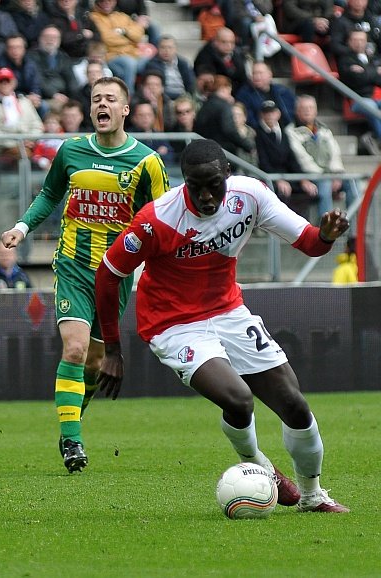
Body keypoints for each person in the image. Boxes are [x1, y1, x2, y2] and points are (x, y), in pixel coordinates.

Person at [94, 138, 350, 514]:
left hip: (229, 312)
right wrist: (112, 350)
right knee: (239, 398)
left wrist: (326, 235)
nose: (205, 195)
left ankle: (313, 495)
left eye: (213, 184)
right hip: (173, 324)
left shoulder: (251, 196)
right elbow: (108, 274)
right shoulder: (157, 219)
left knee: (295, 406)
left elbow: (309, 242)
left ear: (228, 174)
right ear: (183, 181)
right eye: (195, 186)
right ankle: (259, 464)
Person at [0, 77, 169, 473]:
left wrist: (160, 270)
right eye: (96, 99)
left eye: (111, 99)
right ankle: (73, 440)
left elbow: (163, 219)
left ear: (126, 110)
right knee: (74, 350)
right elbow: (49, 194)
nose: (102, 105)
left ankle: (71, 419)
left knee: (94, 363)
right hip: (73, 266)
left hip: (116, 275)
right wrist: (21, 228)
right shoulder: (71, 151)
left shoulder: (147, 162)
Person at [287, 94, 359, 217]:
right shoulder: (291, 132)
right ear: (297, 111)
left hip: (330, 174)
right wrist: (326, 176)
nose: (307, 111)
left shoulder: (325, 130)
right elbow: (303, 159)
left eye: (310, 108)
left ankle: (353, 231)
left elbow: (335, 153)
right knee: (325, 185)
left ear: (316, 111)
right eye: (304, 108)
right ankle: (326, 232)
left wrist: (336, 174)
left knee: (353, 182)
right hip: (309, 175)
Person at [255, 99, 319, 218]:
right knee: (281, 192)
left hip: (287, 175)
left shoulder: (283, 132)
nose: (269, 116)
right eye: (266, 113)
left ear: (278, 114)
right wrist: (278, 179)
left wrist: (303, 179)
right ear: (261, 115)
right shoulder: (258, 134)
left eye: (272, 112)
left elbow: (291, 158)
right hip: (270, 176)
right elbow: (263, 162)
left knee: (308, 190)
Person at [0, 67, 44, 159]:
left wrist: (30, 139)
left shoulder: (24, 101)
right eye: (1, 81)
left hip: (28, 145)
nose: (5, 84)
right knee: (23, 154)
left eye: (7, 81)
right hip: (3, 149)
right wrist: (17, 143)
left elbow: (37, 125)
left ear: (14, 82)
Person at [336, 29, 381, 157]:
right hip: (357, 99)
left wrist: (365, 72)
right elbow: (356, 80)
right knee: (371, 107)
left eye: (362, 40)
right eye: (355, 40)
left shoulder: (373, 58)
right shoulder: (345, 59)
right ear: (349, 42)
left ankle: (372, 137)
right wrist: (374, 72)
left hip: (375, 97)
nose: (359, 43)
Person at [88, 0, 146, 94]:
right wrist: (129, 39)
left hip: (132, 54)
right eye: (103, 1)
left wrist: (123, 31)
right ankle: (128, 96)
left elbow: (139, 34)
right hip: (112, 56)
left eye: (110, 1)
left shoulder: (122, 16)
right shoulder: (94, 17)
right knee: (129, 63)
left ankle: (145, 95)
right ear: (97, 2)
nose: (106, 3)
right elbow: (106, 38)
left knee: (150, 61)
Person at [193, 75, 255, 158]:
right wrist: (247, 146)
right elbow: (229, 130)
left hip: (205, 152)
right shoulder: (224, 106)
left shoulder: (204, 106)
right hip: (223, 152)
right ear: (224, 88)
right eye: (230, 91)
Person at [26, 25, 78, 115]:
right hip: (43, 97)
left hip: (63, 96)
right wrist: (53, 94)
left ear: (59, 40)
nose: (50, 40)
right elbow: (37, 79)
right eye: (47, 37)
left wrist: (72, 99)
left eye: (54, 37)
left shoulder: (63, 57)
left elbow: (71, 80)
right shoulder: (31, 57)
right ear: (40, 38)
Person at [234, 61, 296, 130]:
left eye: (260, 73)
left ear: (270, 74)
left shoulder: (282, 91)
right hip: (260, 133)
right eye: (254, 73)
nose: (257, 76)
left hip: (286, 130)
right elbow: (249, 119)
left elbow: (292, 112)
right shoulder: (244, 94)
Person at [193, 27, 250, 93]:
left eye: (232, 42)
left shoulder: (238, 55)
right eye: (224, 42)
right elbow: (206, 84)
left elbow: (243, 79)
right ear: (215, 41)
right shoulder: (204, 56)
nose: (229, 46)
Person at [143, 35, 196, 101]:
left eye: (170, 48)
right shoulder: (152, 65)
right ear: (158, 49)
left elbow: (191, 83)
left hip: (184, 97)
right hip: (164, 98)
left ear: (175, 49)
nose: (166, 50)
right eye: (163, 47)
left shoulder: (183, 63)